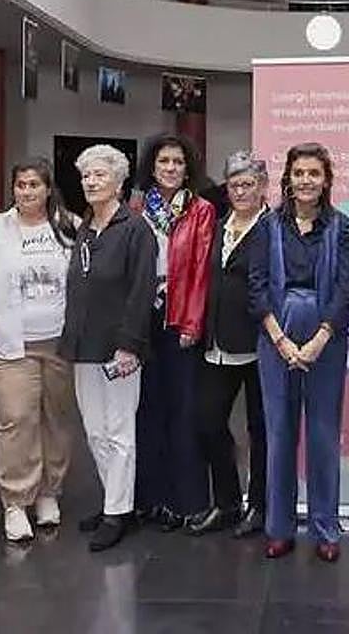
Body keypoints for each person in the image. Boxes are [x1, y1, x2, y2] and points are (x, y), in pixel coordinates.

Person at [249, 143, 349, 563]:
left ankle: (325, 529)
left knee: (323, 435)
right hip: (276, 337)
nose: (306, 180)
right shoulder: (267, 226)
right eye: (299, 173)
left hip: (325, 340)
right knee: (279, 435)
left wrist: (319, 339)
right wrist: (281, 341)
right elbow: (257, 286)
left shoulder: (342, 227)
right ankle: (279, 528)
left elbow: (346, 287)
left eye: (314, 173)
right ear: (288, 179)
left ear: (326, 180)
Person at [61, 145, 158, 552]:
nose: (91, 182)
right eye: (86, 175)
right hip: (83, 346)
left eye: (99, 175)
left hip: (119, 349)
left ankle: (118, 513)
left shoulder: (135, 229)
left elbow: (141, 292)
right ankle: (115, 503)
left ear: (119, 182)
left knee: (119, 433)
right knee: (95, 431)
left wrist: (129, 345)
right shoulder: (85, 227)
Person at [0, 159, 79, 542]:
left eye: (34, 184)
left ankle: (48, 492)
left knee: (56, 419)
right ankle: (16, 502)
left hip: (58, 342)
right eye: (20, 184)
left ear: (48, 188)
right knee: (17, 418)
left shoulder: (69, 226)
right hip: (10, 343)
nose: (26, 191)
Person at [133, 134, 216, 531]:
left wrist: (193, 322)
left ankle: (186, 502)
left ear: (187, 169)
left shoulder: (200, 210)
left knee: (183, 412)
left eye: (177, 162)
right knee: (147, 410)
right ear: (152, 166)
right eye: (164, 161)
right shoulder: (136, 208)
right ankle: (149, 499)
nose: (170, 168)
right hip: (142, 319)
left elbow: (201, 271)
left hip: (181, 318)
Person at [188, 152, 270, 538]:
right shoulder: (216, 227)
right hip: (216, 343)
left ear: (263, 187)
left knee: (261, 429)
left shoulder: (274, 228)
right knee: (207, 421)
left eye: (248, 184)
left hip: (261, 342)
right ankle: (226, 502)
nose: (240, 191)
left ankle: (260, 506)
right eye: (234, 185)